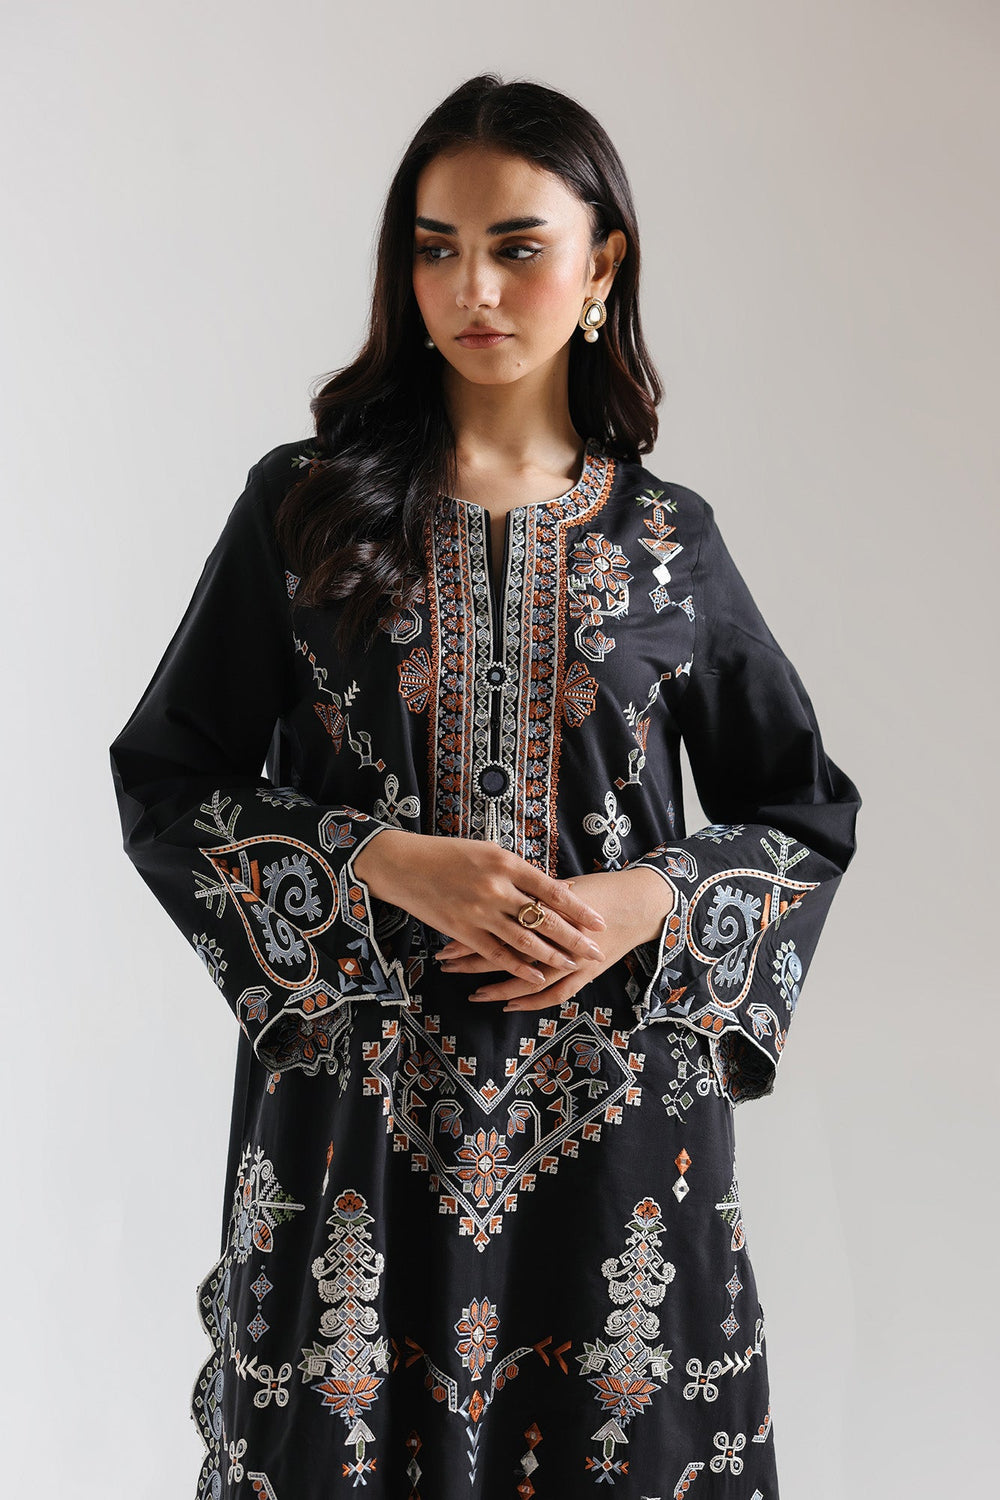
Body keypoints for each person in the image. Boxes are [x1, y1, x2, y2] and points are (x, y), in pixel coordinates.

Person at [109, 72, 861, 1499]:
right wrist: (377, 861)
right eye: (436, 248)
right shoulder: (303, 512)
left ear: (602, 267)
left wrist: (649, 899)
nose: (473, 288)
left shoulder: (668, 544)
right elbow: (166, 781)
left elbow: (804, 816)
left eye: (517, 247)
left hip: (619, 1143)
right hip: (358, 1137)